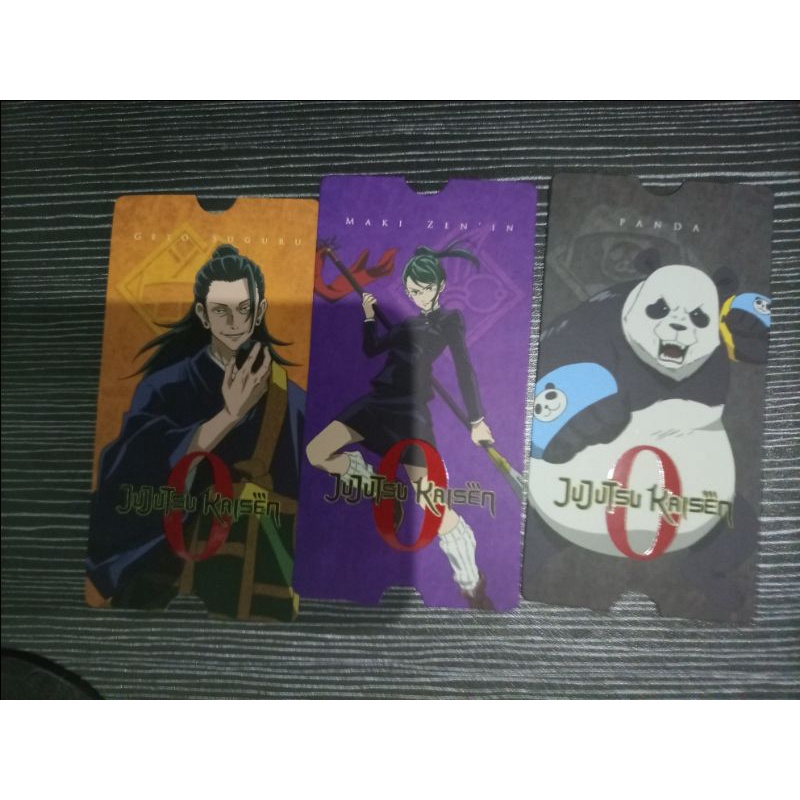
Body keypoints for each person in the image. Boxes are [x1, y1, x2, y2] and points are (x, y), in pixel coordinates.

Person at [87, 245, 305, 617]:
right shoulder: (165, 386)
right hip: (169, 576)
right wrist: (228, 417)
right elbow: (126, 480)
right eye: (221, 310)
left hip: (261, 584)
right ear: (203, 314)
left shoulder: (291, 399)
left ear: (259, 311)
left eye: (243, 309)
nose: (233, 322)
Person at [306, 243, 495, 609]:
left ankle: (471, 582)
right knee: (318, 451)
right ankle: (378, 487)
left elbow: (464, 369)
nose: (418, 296)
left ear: (440, 286)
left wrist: (477, 421)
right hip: (378, 403)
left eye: (424, 289)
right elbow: (372, 349)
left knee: (430, 502)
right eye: (412, 290)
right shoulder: (406, 324)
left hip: (410, 413)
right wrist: (367, 316)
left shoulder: (450, 321)